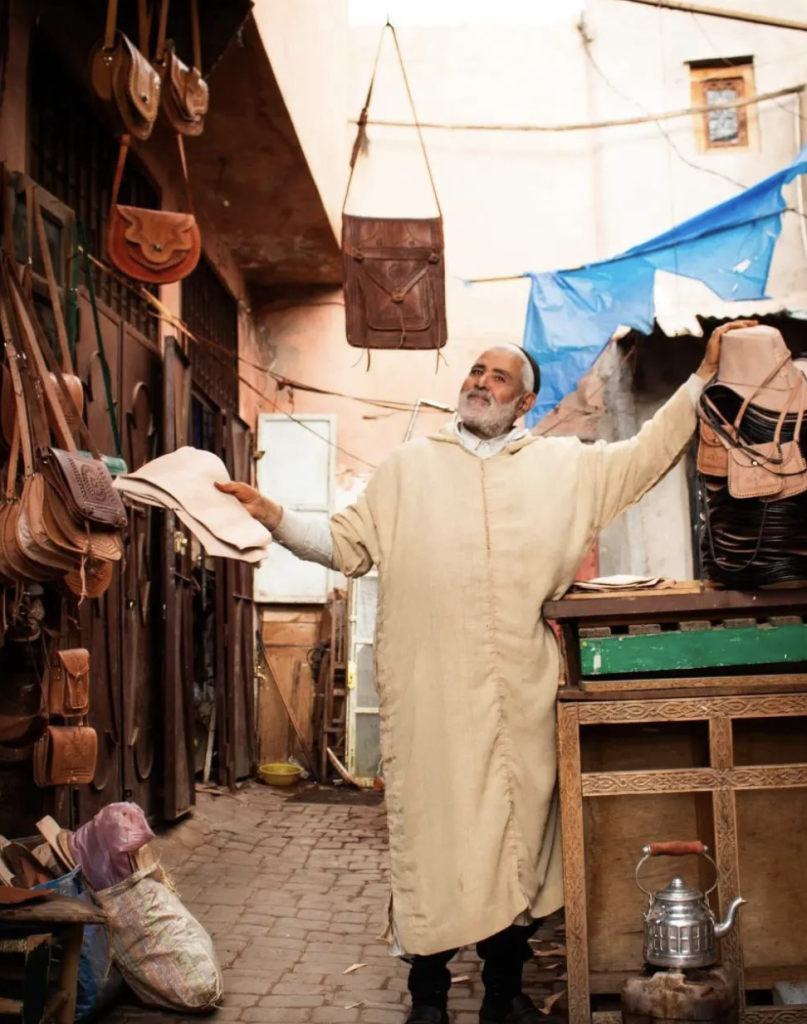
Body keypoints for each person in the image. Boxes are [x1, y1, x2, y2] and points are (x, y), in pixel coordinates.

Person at [217, 322, 753, 1024]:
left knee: (517, 845)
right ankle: (428, 999)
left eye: (497, 376)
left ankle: (504, 995)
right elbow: (345, 545)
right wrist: (275, 515)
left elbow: (647, 453)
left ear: (525, 400)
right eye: (474, 370)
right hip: (429, 693)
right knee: (431, 841)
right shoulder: (409, 467)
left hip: (519, 696)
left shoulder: (566, 468)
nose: (479, 381)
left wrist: (699, 380)